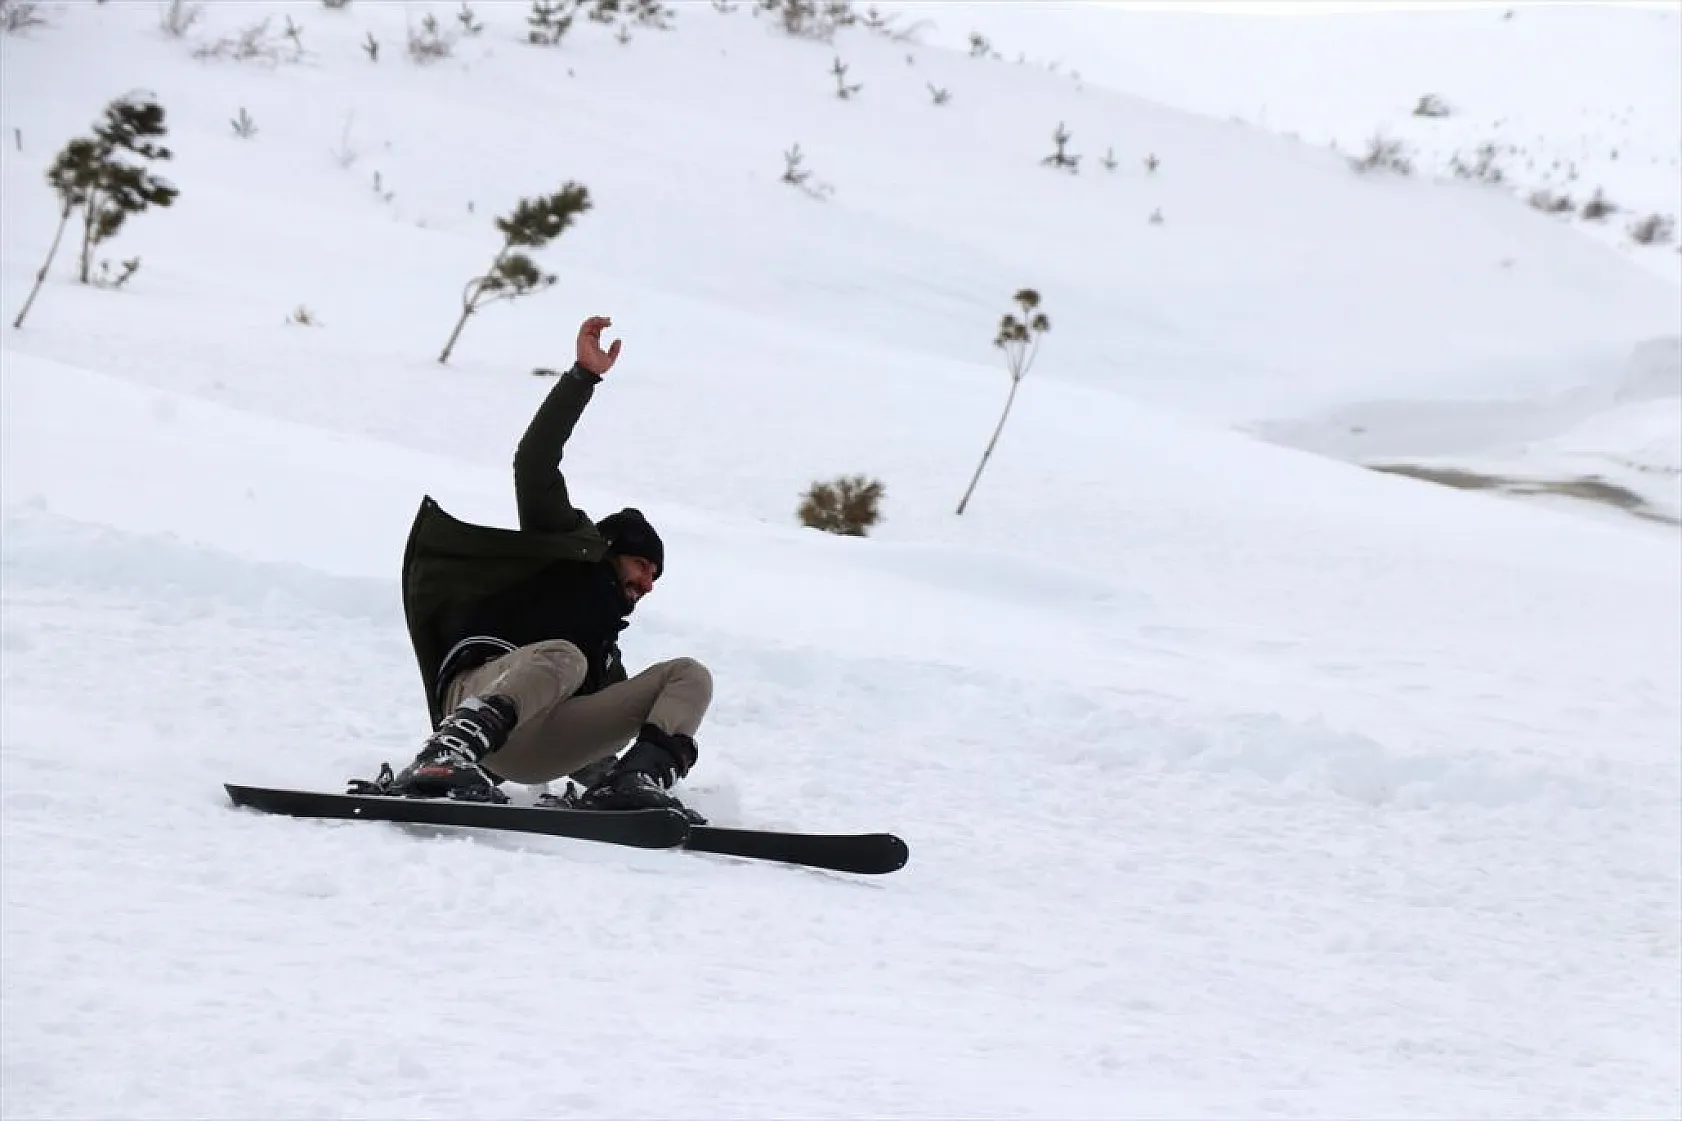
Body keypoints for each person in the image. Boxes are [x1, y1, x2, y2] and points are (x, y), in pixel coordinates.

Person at [385, 315, 713, 823]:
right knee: (564, 657)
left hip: (531, 748)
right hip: (475, 694)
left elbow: (596, 725)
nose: (647, 584)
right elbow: (534, 462)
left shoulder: (604, 649)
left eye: (655, 577)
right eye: (641, 565)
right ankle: (445, 754)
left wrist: (604, 781)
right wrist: (583, 377)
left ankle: (635, 782)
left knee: (689, 675)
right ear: (609, 552)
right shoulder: (565, 551)